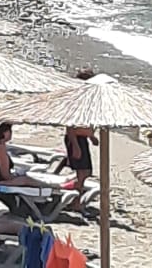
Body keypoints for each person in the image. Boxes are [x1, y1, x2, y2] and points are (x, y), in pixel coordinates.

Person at [64, 70, 98, 209]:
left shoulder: (86, 101)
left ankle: (74, 196)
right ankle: (75, 201)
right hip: (76, 139)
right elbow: (70, 127)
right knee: (82, 173)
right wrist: (75, 146)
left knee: (86, 172)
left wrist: (91, 137)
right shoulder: (77, 102)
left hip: (82, 138)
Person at [0, 121, 46, 188]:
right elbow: (5, 175)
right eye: (9, 130)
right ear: (5, 132)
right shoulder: (0, 146)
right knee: (27, 180)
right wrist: (16, 177)